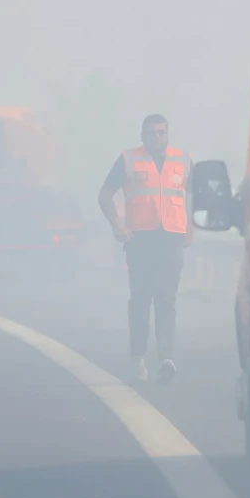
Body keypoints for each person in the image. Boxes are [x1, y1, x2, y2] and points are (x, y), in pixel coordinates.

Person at [97, 114, 192, 384]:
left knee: (166, 299)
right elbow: (104, 196)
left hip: (171, 240)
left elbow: (192, 198)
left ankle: (166, 357)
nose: (157, 138)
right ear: (142, 135)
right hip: (139, 241)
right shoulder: (128, 159)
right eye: (152, 133)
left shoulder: (183, 160)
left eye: (162, 132)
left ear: (168, 133)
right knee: (140, 301)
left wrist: (190, 230)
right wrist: (117, 225)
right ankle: (138, 357)